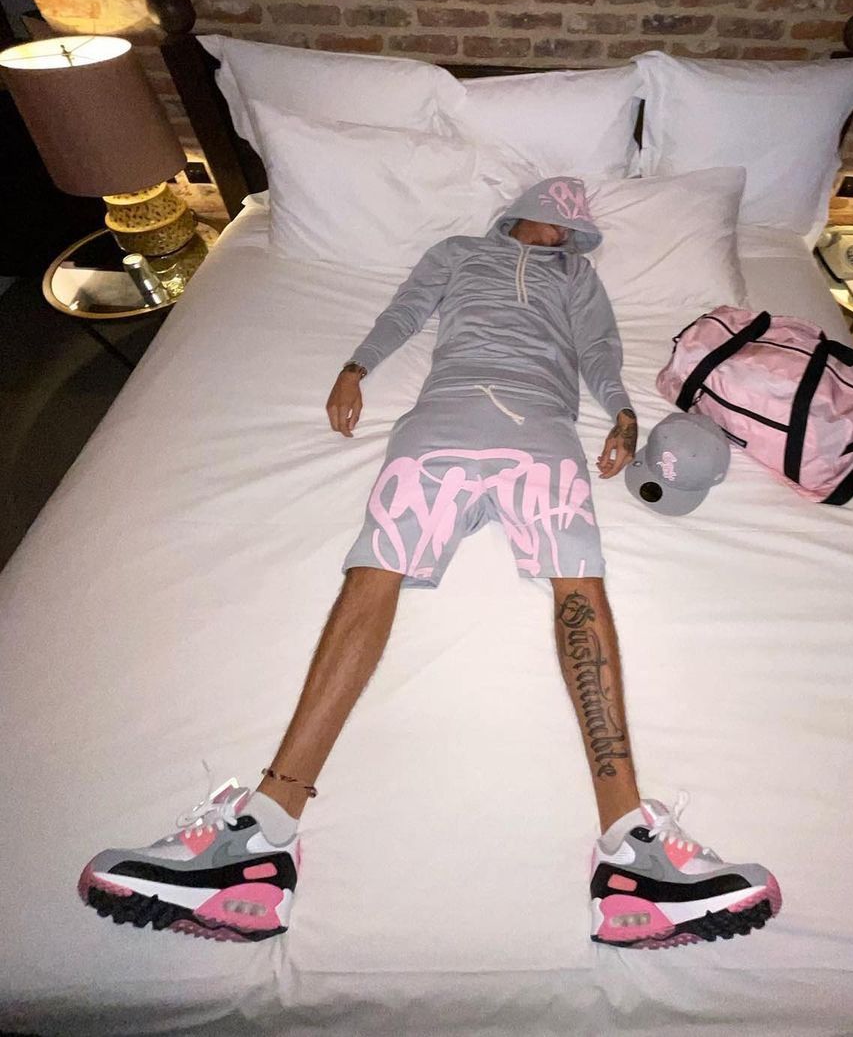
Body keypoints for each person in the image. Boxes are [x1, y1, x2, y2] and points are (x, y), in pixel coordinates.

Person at [79, 177, 780, 949]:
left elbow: (598, 349)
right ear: (525, 211)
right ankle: (262, 834)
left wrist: (621, 412)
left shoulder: (579, 276)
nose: (566, 231)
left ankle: (630, 848)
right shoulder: (457, 252)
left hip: (542, 430)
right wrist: (357, 367)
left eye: (573, 227)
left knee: (578, 582)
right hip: (442, 420)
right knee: (373, 571)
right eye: (558, 218)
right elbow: (408, 309)